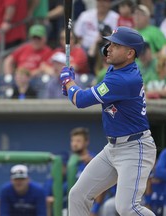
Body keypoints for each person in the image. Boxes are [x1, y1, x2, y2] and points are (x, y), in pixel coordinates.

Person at [59, 26, 157, 216]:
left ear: (130, 53)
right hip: (113, 148)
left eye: (116, 45)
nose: (108, 48)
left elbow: (81, 101)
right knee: (77, 195)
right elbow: (84, 95)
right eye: (110, 43)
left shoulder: (124, 79)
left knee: (127, 207)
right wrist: (73, 89)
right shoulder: (118, 68)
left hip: (135, 148)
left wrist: (69, 84)